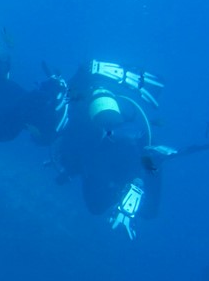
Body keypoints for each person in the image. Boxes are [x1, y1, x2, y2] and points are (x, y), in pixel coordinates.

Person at [50, 59, 186, 238]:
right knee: (148, 209)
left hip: (106, 147)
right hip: (129, 142)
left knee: (96, 206)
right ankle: (140, 174)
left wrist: (67, 171)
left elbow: (77, 153)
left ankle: (134, 180)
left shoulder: (76, 105)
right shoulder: (118, 90)